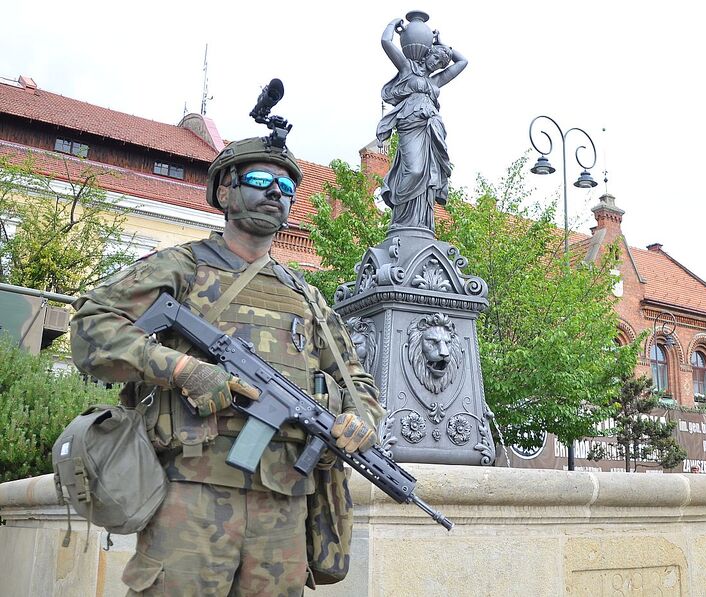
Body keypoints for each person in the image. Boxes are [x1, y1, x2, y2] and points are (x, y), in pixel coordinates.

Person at [70, 132, 384, 595]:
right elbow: (92, 326)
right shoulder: (181, 266)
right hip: (190, 492)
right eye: (259, 180)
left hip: (285, 503)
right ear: (225, 190)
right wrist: (181, 370)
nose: (275, 192)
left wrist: (363, 419)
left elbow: (356, 378)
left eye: (286, 187)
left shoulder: (307, 298)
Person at [376, 17, 468, 232]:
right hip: (410, 124)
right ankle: (401, 216)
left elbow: (463, 62)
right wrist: (393, 26)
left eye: (441, 64)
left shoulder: (436, 81)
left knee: (428, 177)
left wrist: (443, 45)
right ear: (428, 53)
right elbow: (386, 42)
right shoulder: (407, 68)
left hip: (431, 130)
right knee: (415, 170)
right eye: (435, 57)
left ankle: (421, 222)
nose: (437, 64)